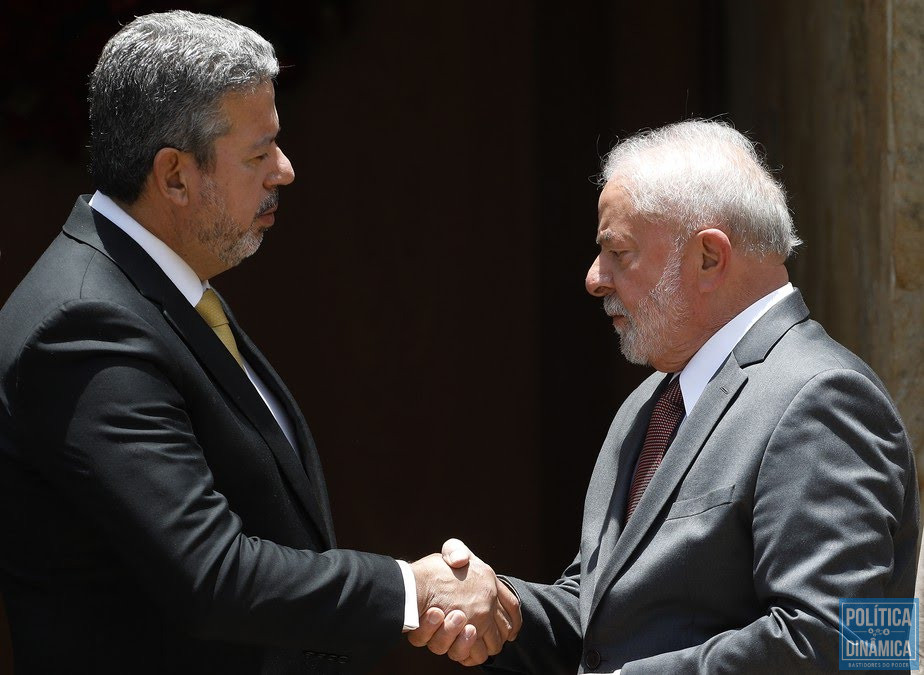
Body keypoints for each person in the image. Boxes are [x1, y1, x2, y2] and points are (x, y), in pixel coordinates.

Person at [0, 11, 517, 674]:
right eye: (258, 153)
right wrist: (412, 591)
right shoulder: (85, 325)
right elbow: (211, 573)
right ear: (175, 175)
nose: (285, 171)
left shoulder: (154, 288)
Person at [413, 119, 920, 673]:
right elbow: (605, 620)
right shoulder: (651, 403)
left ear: (708, 257)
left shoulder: (825, 398)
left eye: (619, 252)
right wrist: (499, 608)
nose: (593, 278)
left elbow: (851, 643)